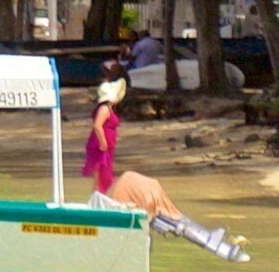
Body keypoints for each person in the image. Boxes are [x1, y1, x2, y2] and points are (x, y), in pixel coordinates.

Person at [89, 76, 249, 261]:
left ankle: (210, 240)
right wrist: (103, 144)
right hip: (112, 167)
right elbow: (97, 128)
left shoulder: (106, 109)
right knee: (170, 218)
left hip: (120, 178)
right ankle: (210, 240)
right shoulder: (104, 109)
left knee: (169, 217)